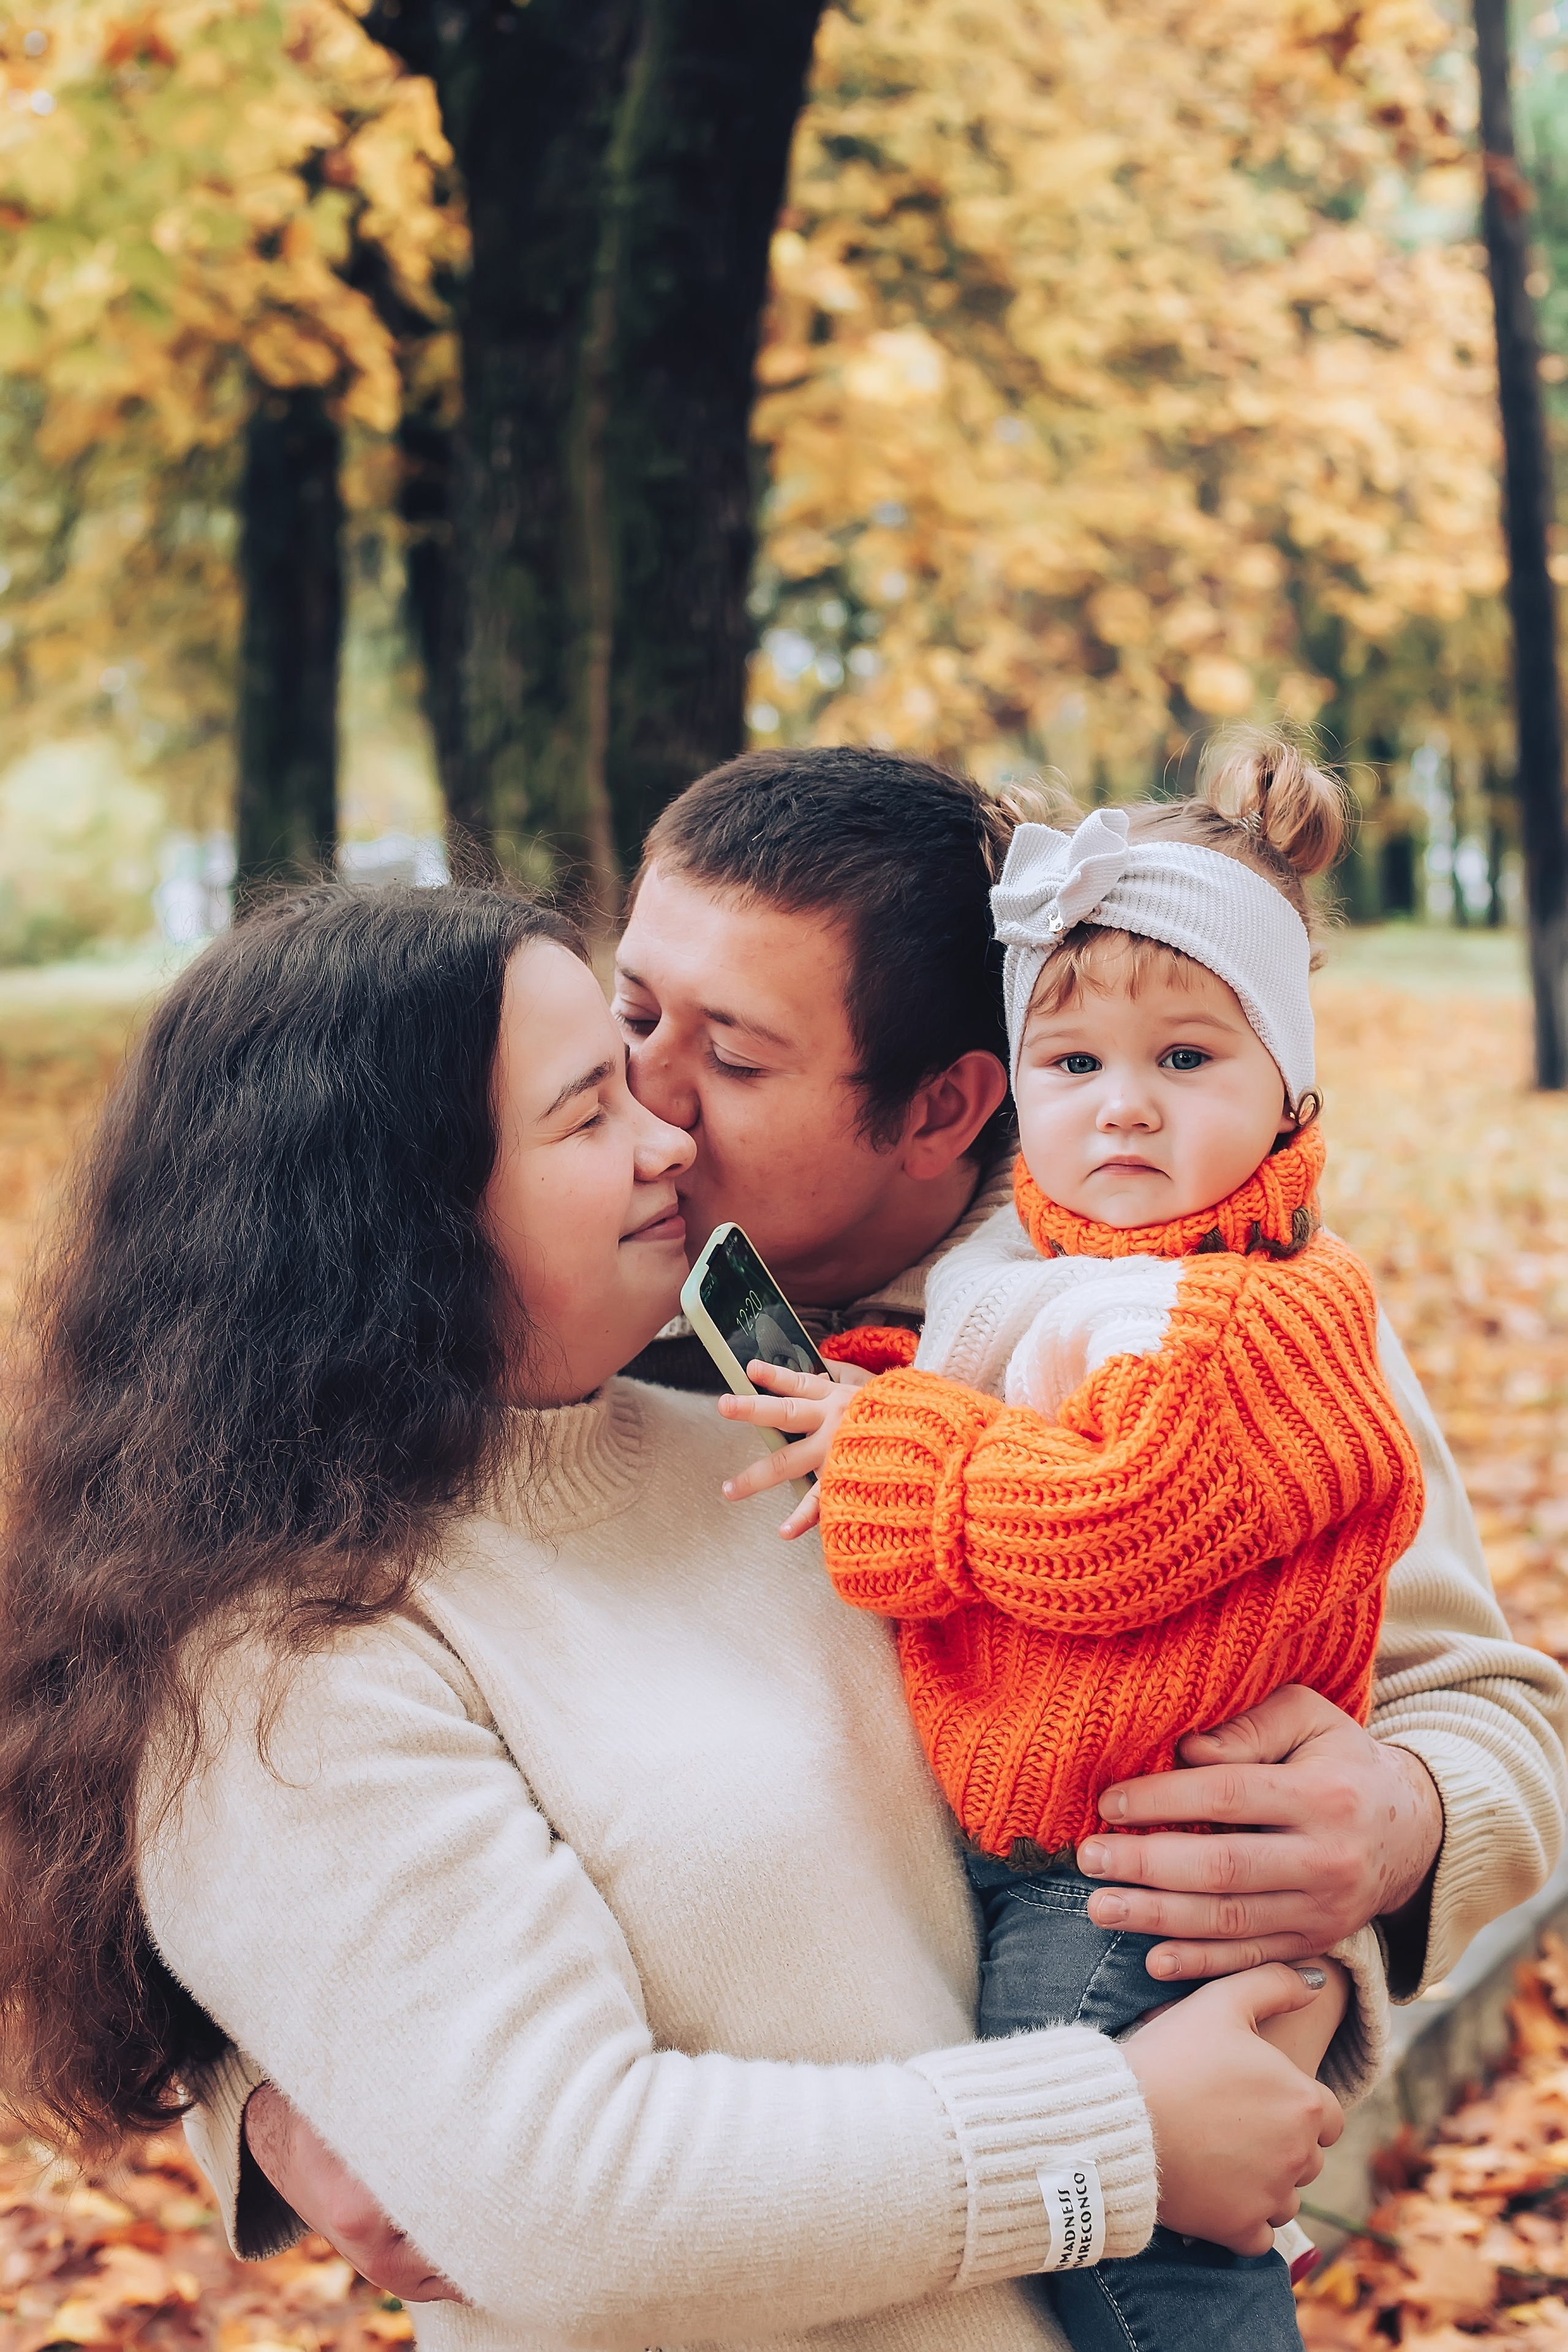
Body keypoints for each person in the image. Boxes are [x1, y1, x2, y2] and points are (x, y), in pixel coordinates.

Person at [171, 749, 1566, 2293]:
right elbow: (188, 1741)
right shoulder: (537, 1307)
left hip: (1088, 2130)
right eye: (634, 1014)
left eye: (740, 1062)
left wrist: (1398, 1827)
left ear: (944, 1106)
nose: (653, 1102)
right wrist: (271, 2098)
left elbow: (1484, 1705)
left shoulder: (1185, 1306)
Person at [0, 884, 1348, 2352]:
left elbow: (1102, 1807)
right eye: (589, 1115)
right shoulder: (287, 1659)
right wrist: (1114, 2141)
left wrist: (1354, 1856)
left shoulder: (795, 1447)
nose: (669, 1139)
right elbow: (577, 2209)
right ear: (392, 1219)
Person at [718, 737, 1423, 2350]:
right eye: (1077, 1063)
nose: (1122, 1110)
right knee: (1105, 2226)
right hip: (1054, 1851)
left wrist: (888, 1454)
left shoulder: (1271, 1315)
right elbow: (1004, 1404)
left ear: (1288, 1092)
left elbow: (1123, 1525)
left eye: (1187, 1060)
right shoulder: (1044, 1271)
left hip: (1132, 1874)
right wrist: (874, 1391)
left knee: (1127, 2256)